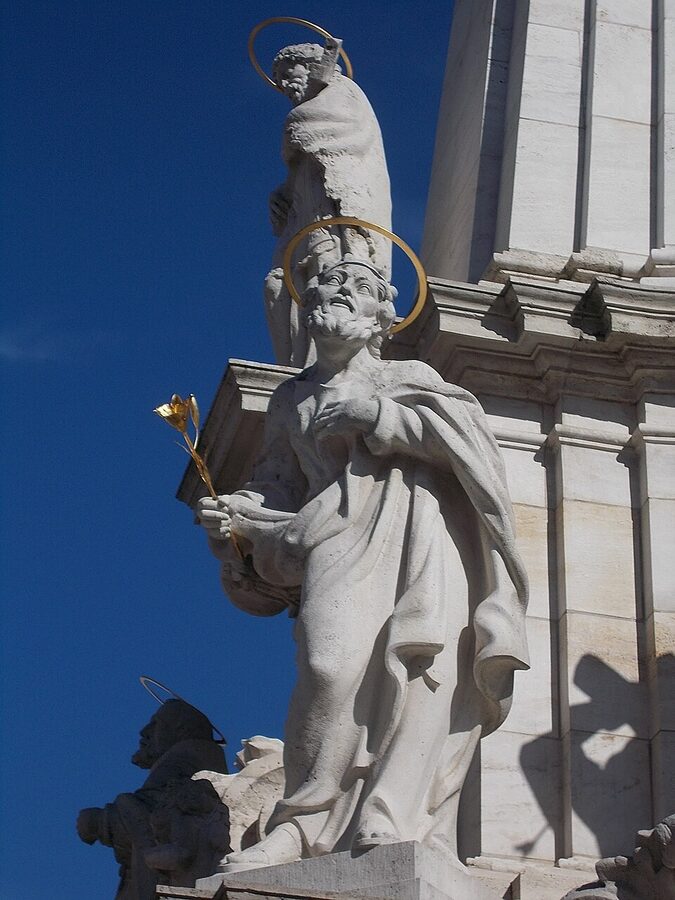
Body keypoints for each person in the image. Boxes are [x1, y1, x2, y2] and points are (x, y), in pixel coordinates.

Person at [199, 258, 529, 872]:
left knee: (425, 665)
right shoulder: (290, 400)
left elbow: (473, 453)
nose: (336, 297)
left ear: (383, 316)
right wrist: (239, 514)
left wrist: (378, 416)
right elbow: (277, 485)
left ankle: (392, 813)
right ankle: (305, 823)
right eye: (324, 288)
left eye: (356, 291)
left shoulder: (411, 377)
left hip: (422, 538)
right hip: (333, 543)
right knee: (331, 668)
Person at [263, 39, 392, 367]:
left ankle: (320, 361)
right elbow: (304, 166)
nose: (286, 85)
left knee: (327, 275)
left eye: (290, 75)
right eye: (280, 81)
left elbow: (320, 129)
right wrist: (283, 193)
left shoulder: (343, 95)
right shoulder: (311, 105)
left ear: (313, 67)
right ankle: (294, 362)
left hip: (333, 218)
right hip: (304, 217)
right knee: (276, 284)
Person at [77, 700, 228, 899]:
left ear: (180, 729)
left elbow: (152, 812)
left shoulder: (185, 755)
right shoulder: (192, 755)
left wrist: (99, 821)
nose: (145, 731)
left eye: (156, 724)